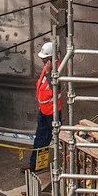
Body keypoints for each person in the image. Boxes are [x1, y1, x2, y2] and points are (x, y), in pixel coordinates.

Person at [32, 40, 58, 171]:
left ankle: (61, 165)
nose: (43, 63)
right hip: (44, 111)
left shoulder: (59, 69)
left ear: (52, 59)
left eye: (45, 60)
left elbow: (56, 88)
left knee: (58, 139)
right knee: (40, 139)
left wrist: (48, 73)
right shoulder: (46, 69)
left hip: (54, 113)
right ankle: (35, 165)